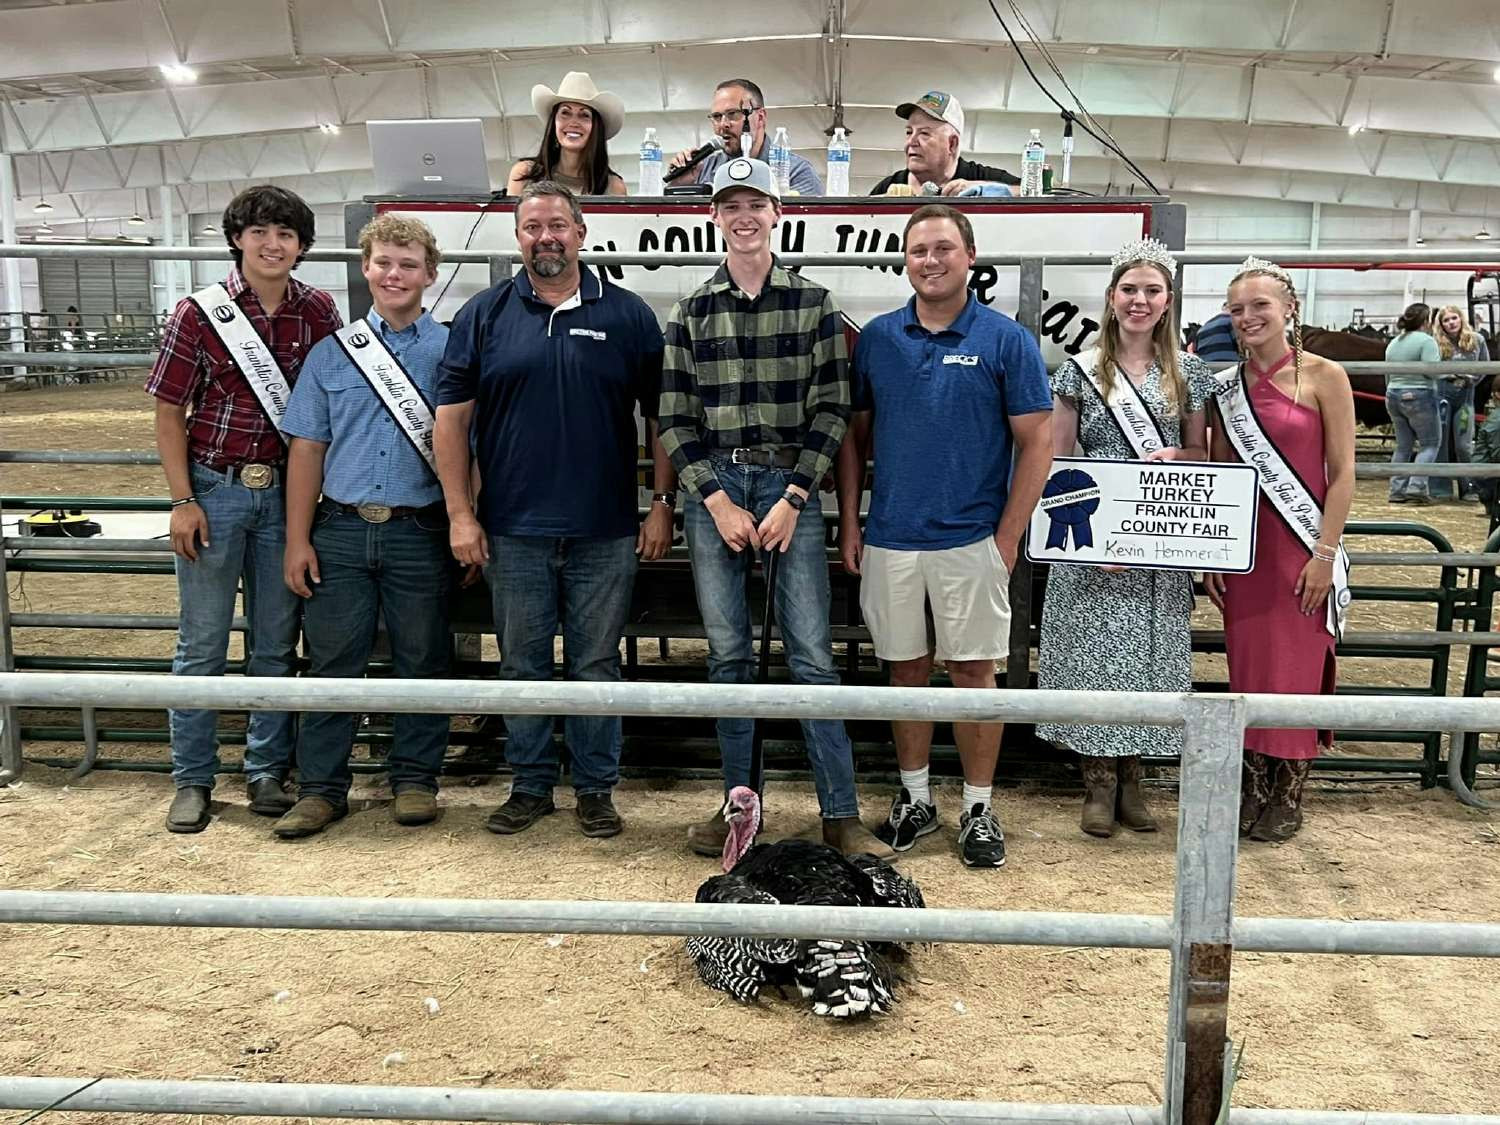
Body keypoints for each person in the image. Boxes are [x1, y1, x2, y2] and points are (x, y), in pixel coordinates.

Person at [659, 156, 890, 860]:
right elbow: (673, 417)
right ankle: (738, 808)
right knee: (727, 656)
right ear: (714, 218)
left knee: (813, 657)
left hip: (791, 488)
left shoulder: (814, 303)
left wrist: (795, 495)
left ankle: (839, 812)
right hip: (718, 494)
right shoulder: (692, 310)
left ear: (777, 213)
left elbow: (834, 408)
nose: (744, 216)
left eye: (755, 203)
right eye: (731, 206)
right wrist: (717, 498)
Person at [435, 181, 674, 839]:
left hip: (605, 527)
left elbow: (662, 420)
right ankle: (531, 783)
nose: (546, 236)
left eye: (558, 225)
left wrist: (661, 501)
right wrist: (461, 513)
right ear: (517, 237)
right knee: (523, 661)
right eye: (532, 226)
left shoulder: (627, 316)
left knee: (597, 662)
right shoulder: (483, 315)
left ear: (582, 232)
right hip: (513, 531)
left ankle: (596, 788)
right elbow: (450, 425)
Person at [837, 204, 1053, 867]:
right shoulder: (878, 338)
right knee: (905, 668)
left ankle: (980, 806)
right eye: (918, 250)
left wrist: (1008, 536)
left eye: (942, 248)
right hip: (893, 537)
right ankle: (916, 797)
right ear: (905, 260)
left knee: (972, 673)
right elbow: (854, 436)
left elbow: (1038, 439)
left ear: (970, 255)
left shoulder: (1004, 339)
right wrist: (852, 518)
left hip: (971, 540)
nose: (929, 260)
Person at [146, 184, 342, 834]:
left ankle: (265, 771)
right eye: (259, 231)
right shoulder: (198, 313)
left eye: (285, 234)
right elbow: (169, 412)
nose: (272, 243)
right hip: (215, 488)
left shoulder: (318, 310)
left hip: (287, 492)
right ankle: (193, 779)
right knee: (200, 643)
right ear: (237, 238)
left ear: (301, 245)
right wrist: (182, 499)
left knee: (274, 642)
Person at [272, 215, 455, 839]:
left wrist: (466, 518)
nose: (394, 274)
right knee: (331, 662)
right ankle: (323, 789)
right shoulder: (333, 354)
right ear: (365, 270)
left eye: (407, 264)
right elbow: (306, 450)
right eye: (382, 263)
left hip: (421, 527)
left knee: (424, 659)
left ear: (429, 274)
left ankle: (415, 780)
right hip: (341, 529)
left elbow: (470, 447)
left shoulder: (453, 352)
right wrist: (298, 538)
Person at [1035, 238, 1217, 838]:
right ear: (1112, 299)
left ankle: (1134, 776)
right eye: (1129, 290)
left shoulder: (1188, 372)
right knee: (1094, 662)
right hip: (1093, 538)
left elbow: (1201, 451)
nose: (1140, 301)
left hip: (1158, 536)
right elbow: (1058, 457)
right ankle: (1098, 780)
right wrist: (1090, 539)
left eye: (1152, 291)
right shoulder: (1080, 369)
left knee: (1146, 659)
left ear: (1167, 302)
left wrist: (1179, 454)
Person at [1205, 257, 1355, 843]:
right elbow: (1218, 475)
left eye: (1260, 305)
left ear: (1288, 308)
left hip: (1302, 548)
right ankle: (1253, 786)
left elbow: (1343, 474)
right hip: (1246, 553)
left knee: (1294, 671)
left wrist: (1325, 552)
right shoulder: (1224, 389)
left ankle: (1289, 790)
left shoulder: (1325, 376)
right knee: (1248, 671)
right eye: (1237, 309)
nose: (1248, 317)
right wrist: (1214, 558)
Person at [667, 79, 823, 195]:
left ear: (760, 117)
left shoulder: (797, 172)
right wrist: (678, 186)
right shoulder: (703, 169)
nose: (723, 124)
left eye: (733, 114)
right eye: (716, 116)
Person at [868, 91, 1019, 197]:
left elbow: (1037, 194)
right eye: (909, 132)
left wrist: (985, 190)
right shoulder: (887, 188)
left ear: (952, 144)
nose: (911, 142)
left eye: (924, 133)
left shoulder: (980, 177)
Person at [506, 72, 628, 197]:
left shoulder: (614, 186)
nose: (573, 123)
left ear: (596, 127)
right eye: (565, 113)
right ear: (553, 123)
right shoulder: (524, 174)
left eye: (584, 115)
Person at [1383, 302, 1442, 505]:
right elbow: (1431, 370)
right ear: (1426, 321)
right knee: (1430, 444)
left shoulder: (1394, 342)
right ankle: (1416, 487)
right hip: (1419, 395)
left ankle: (1396, 490)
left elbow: (1387, 373)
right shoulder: (1427, 341)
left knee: (1403, 446)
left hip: (1393, 395)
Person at [1431, 304, 1490, 502]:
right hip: (1442, 392)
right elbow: (1430, 367)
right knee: (1440, 442)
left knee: (1464, 444)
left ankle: (1469, 487)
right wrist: (1448, 374)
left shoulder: (1477, 340)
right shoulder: (1436, 343)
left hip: (1465, 393)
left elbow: (1485, 365)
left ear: (1461, 319)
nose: (1451, 323)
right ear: (1441, 325)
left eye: (1454, 318)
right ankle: (1440, 488)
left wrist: (1472, 379)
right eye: (1446, 320)